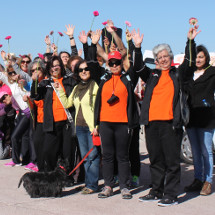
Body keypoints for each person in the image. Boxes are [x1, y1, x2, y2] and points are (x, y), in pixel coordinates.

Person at [135, 26, 200, 206]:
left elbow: (189, 63)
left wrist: (190, 42)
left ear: (171, 58)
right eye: (160, 57)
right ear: (156, 60)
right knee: (155, 159)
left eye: (166, 56)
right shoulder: (153, 75)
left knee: (171, 161)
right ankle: (156, 191)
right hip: (151, 123)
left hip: (171, 123)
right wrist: (137, 47)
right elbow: (138, 68)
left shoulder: (178, 74)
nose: (163, 59)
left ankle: (171, 195)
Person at [88, 29, 140, 199]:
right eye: (111, 63)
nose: (114, 65)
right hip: (105, 124)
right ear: (108, 64)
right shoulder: (103, 78)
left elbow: (136, 66)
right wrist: (92, 45)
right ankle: (108, 186)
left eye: (117, 62)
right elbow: (91, 65)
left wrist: (136, 47)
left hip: (123, 123)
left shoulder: (128, 78)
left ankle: (125, 186)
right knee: (108, 156)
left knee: (123, 156)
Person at [55, 59, 100, 194]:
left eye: (86, 69)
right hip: (79, 127)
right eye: (80, 70)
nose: (84, 72)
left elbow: (99, 108)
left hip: (91, 127)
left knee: (93, 156)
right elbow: (68, 104)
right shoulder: (76, 87)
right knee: (86, 158)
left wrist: (97, 126)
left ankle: (92, 185)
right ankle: (89, 183)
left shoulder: (95, 86)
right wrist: (60, 91)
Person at [30, 56, 77, 175]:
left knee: (67, 152)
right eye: (52, 66)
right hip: (51, 123)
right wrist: (35, 82)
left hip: (67, 122)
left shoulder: (69, 80)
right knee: (48, 151)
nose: (55, 68)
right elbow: (36, 96)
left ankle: (68, 176)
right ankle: (51, 175)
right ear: (48, 68)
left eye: (57, 65)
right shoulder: (45, 83)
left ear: (61, 66)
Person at [184, 45, 215, 195]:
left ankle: (208, 181)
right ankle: (198, 179)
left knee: (206, 151)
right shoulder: (189, 74)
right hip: (191, 117)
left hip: (206, 117)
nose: (198, 59)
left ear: (206, 58)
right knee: (195, 152)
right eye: (196, 57)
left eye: (201, 57)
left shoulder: (212, 73)